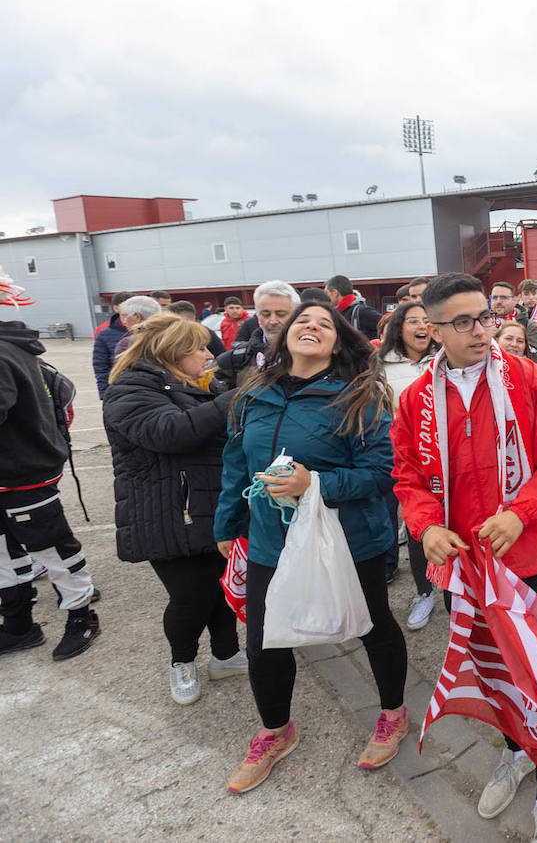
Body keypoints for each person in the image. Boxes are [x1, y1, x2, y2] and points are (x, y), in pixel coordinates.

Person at [389, 274, 537, 841]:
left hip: (531, 556)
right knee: (494, 671)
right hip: (461, 564)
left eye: (485, 317)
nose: (481, 330)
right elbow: (408, 476)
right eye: (465, 322)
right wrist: (425, 528)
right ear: (433, 330)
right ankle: (515, 751)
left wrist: (520, 512)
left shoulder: (526, 377)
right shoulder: (417, 398)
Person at [215, 302, 407, 794]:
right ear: (282, 336)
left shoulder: (359, 395)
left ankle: (392, 713)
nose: (312, 327)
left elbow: (381, 472)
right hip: (270, 539)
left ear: (338, 342)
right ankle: (276, 731)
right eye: (303, 320)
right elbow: (237, 461)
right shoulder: (253, 393)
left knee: (372, 625)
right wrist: (225, 523)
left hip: (349, 538)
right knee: (262, 638)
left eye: (325, 323)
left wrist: (314, 483)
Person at [103, 315, 246, 704]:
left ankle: (226, 654)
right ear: (173, 352)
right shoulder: (130, 388)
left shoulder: (192, 382)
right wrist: (228, 400)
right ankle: (181, 661)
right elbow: (169, 432)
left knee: (219, 588)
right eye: (199, 348)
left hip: (203, 504)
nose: (207, 354)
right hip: (165, 512)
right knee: (190, 598)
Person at [0, 288, 101, 661]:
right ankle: (18, 624)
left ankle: (82, 616)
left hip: (23, 472)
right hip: (13, 469)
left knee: (51, 548)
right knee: (4, 552)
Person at [378, 301, 440, 625]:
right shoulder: (381, 367)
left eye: (427, 321)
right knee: (417, 526)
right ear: (399, 326)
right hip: (406, 460)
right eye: (413, 320)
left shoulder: (446, 360)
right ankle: (424, 592)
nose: (421, 327)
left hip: (446, 460)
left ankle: (459, 596)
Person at [214, 280, 300, 388]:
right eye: (265, 314)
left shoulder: (315, 357)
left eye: (281, 314)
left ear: (296, 316)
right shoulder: (233, 360)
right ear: (258, 317)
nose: (273, 321)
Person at [94, 291, 134, 398]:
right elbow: (100, 365)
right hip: (119, 388)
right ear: (116, 308)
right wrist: (104, 393)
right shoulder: (103, 333)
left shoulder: (147, 330)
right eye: (126, 306)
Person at [325, 274, 382, 339]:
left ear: (335, 293)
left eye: (327, 293)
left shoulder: (362, 311)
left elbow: (387, 326)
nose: (326, 297)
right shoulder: (337, 314)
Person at [489, 281, 537, 352]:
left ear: (514, 300)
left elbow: (536, 355)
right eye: (494, 298)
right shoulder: (482, 324)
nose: (498, 301)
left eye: (503, 298)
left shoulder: (528, 325)